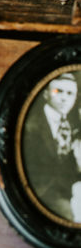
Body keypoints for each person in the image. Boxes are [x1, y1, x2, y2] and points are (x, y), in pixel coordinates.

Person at [21, 72, 81, 222]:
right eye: (58, 91)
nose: (64, 98)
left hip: (70, 190)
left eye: (70, 94)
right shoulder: (31, 126)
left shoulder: (73, 124)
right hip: (43, 192)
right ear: (46, 94)